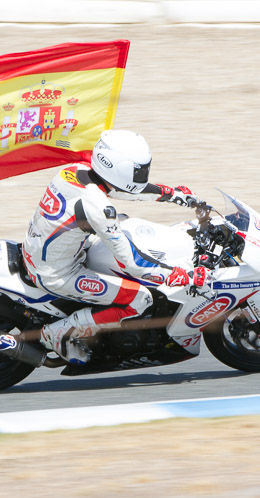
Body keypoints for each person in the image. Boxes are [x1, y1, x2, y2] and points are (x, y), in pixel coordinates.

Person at [22, 129, 211, 365]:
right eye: (138, 170)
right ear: (119, 167)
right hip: (58, 274)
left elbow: (121, 190)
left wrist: (172, 194)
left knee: (123, 221)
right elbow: (133, 264)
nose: (143, 174)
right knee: (140, 298)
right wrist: (177, 274)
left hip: (40, 250)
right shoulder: (100, 209)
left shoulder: (72, 172)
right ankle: (57, 333)